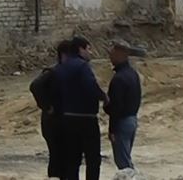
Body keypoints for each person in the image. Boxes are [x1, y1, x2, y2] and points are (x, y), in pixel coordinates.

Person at [54, 36, 107, 180]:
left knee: (72, 159)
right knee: (93, 158)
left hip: (67, 119)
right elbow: (91, 87)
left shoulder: (60, 68)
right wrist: (104, 97)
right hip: (86, 119)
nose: (90, 53)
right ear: (80, 49)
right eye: (88, 49)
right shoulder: (82, 66)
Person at [30, 40, 70, 179]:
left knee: (62, 157)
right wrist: (47, 106)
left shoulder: (64, 72)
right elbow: (35, 85)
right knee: (57, 156)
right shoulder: (53, 72)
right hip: (53, 121)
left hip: (58, 119)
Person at [105, 40, 145, 171]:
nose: (110, 57)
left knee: (123, 163)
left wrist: (112, 129)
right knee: (125, 158)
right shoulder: (132, 74)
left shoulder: (119, 79)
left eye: (112, 54)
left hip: (122, 123)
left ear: (121, 54)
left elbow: (116, 107)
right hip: (131, 120)